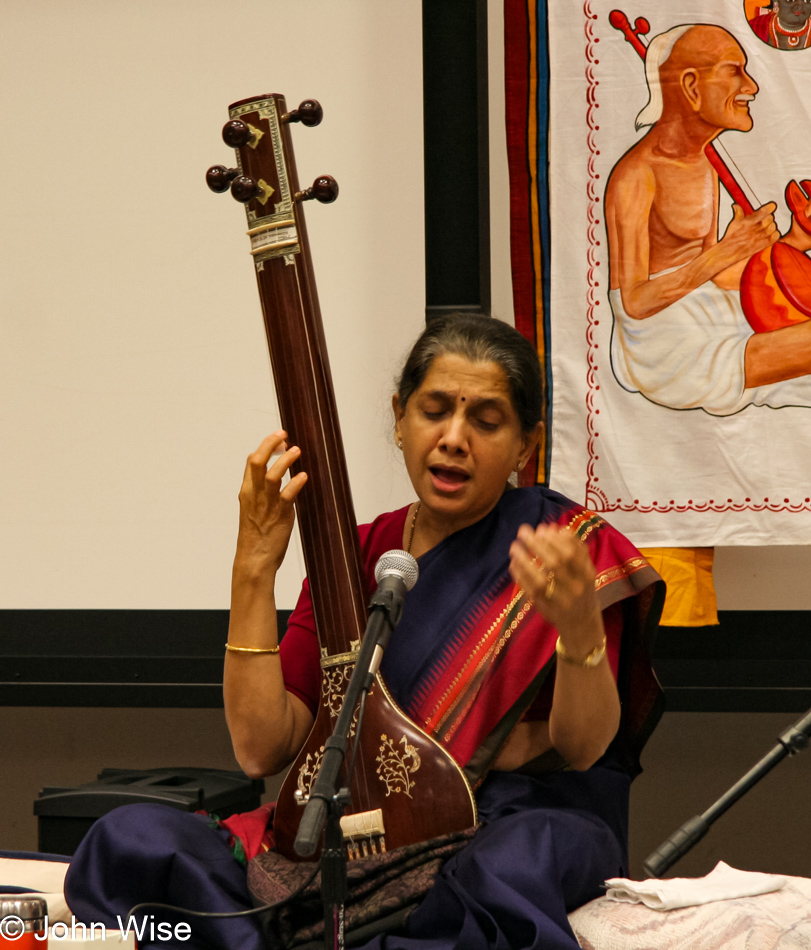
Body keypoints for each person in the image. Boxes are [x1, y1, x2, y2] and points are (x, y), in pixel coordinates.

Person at [66, 313, 664, 950]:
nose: (454, 438)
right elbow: (263, 750)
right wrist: (253, 570)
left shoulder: (561, 550)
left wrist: (577, 634)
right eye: (434, 411)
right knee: (131, 838)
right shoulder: (354, 556)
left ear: (524, 445)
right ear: (399, 418)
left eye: (486, 422)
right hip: (350, 830)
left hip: (505, 818)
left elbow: (583, 748)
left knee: (513, 866)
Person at [606, 23, 811, 415]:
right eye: (735, 71)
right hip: (663, 345)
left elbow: (720, 278)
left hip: (707, 310)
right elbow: (633, 302)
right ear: (691, 87)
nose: (750, 87)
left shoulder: (704, 162)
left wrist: (793, 239)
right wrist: (724, 252)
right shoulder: (636, 176)